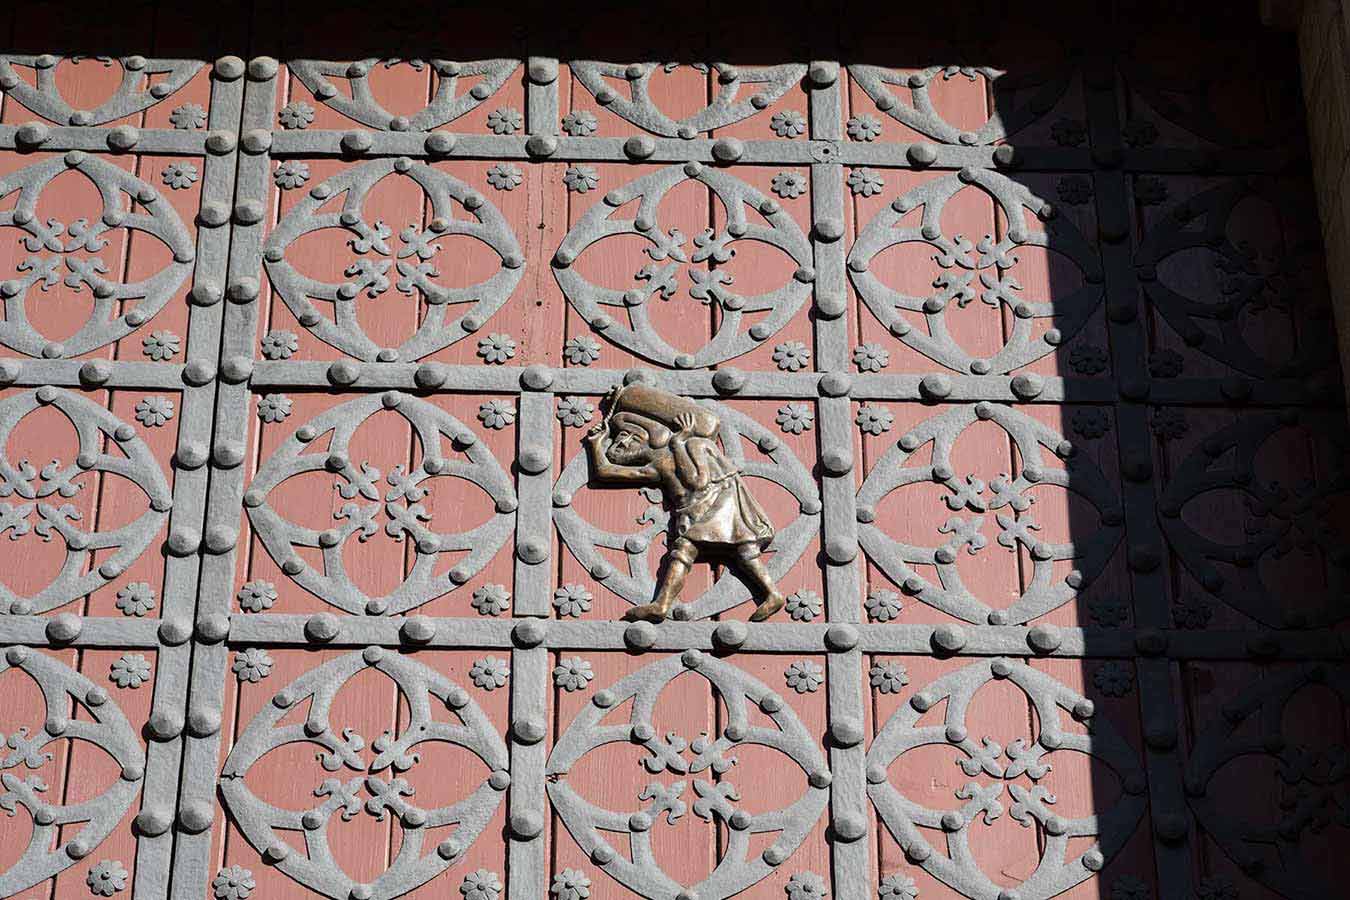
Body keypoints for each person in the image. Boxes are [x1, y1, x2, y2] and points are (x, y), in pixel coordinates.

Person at [583, 383, 785, 622]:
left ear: (653, 437)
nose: (622, 443)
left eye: (631, 435)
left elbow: (698, 481)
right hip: (696, 510)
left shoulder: (694, 445)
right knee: (741, 551)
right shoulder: (658, 465)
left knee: (687, 550)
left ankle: (661, 604)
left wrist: (679, 444)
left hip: (716, 506)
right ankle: (772, 593)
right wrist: (597, 444)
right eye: (621, 435)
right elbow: (606, 472)